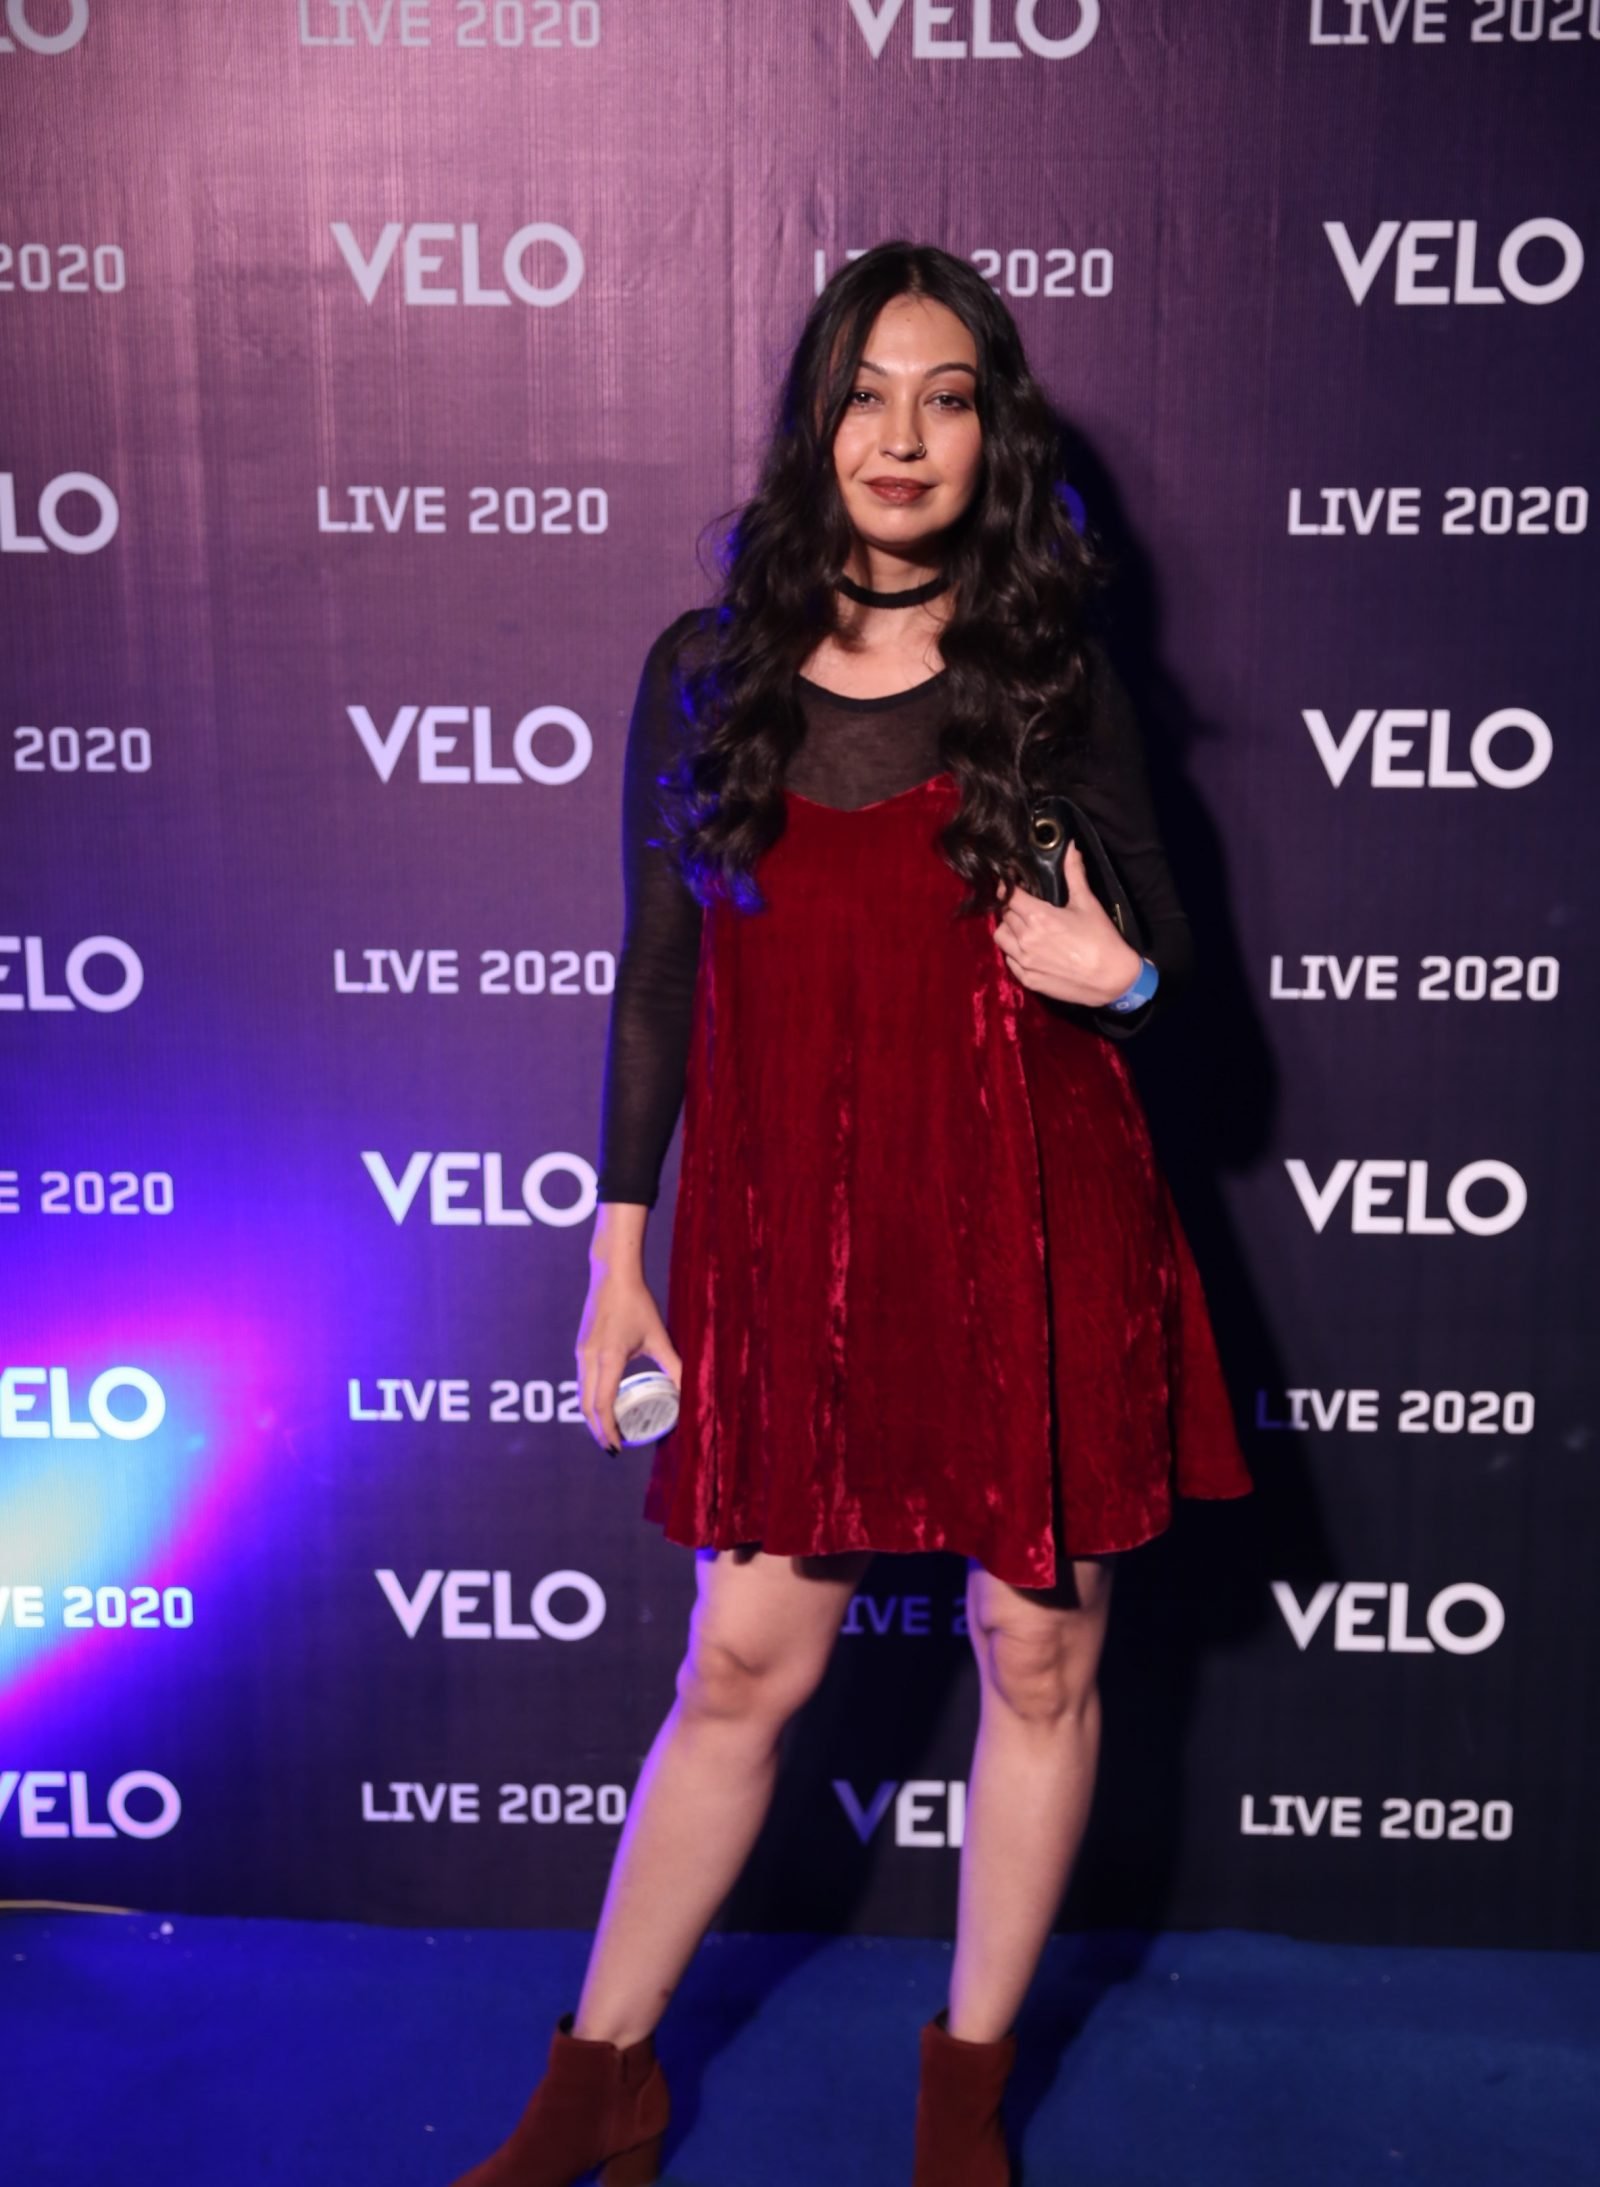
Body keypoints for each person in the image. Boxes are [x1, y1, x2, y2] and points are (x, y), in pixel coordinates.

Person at [450, 240, 1252, 2187]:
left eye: (945, 397)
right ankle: (600, 2073)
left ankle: (962, 2088)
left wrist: (1122, 974)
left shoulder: (1048, 672)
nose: (902, 436)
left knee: (1035, 1659)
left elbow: (1173, 974)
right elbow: (658, 978)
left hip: (1036, 1215)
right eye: (867, 394)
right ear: (815, 419)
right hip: (793, 1232)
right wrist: (619, 1260)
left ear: (992, 434)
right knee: (741, 1663)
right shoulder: (704, 670)